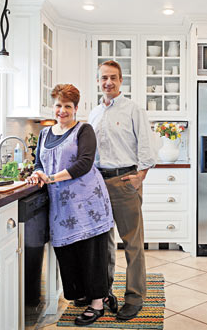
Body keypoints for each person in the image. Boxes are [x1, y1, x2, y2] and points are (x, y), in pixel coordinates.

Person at [27, 84, 115, 326]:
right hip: (62, 206)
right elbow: (38, 163)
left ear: (76, 108)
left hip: (87, 202)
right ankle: (88, 294)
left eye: (67, 106)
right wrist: (37, 173)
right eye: (58, 105)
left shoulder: (84, 130)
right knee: (68, 251)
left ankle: (97, 303)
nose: (62, 110)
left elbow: (84, 164)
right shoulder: (45, 134)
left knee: (91, 252)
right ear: (52, 107)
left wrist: (51, 178)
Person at [89, 60, 155, 320]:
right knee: (103, 244)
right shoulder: (94, 114)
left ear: (121, 81)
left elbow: (147, 149)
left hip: (125, 180)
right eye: (104, 77)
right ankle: (104, 293)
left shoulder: (133, 110)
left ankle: (135, 297)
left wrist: (140, 178)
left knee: (132, 244)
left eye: (113, 78)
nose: (108, 82)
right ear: (98, 81)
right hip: (98, 185)